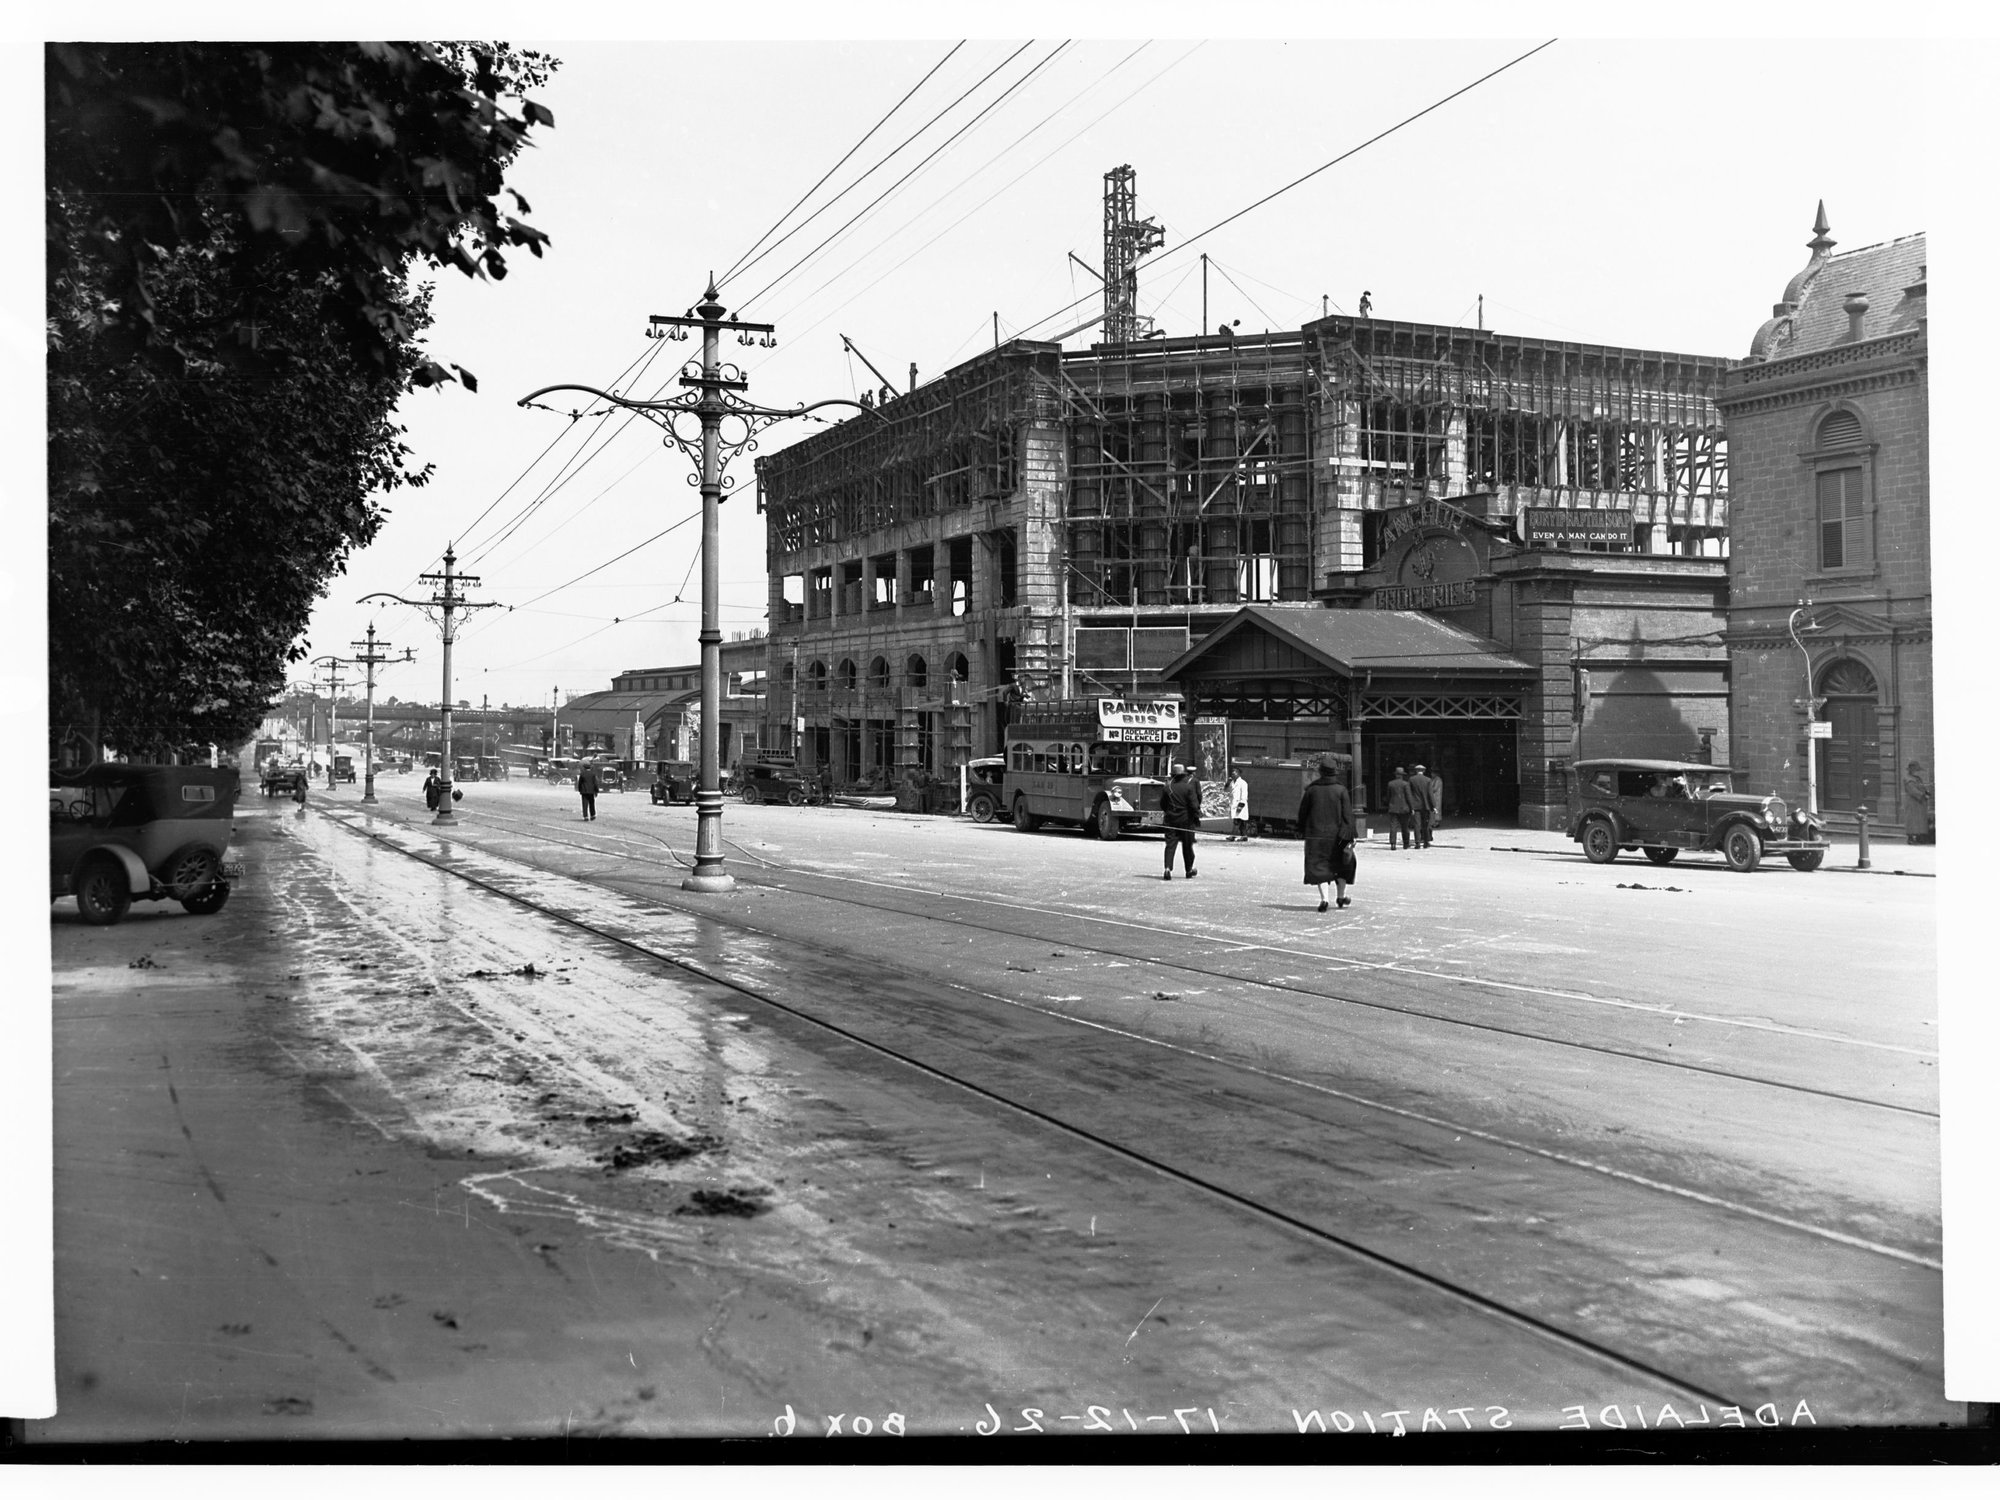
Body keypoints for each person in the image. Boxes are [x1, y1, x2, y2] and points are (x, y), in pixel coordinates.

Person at [1298, 756, 1356, 911]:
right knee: (1343, 865)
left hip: (1316, 836)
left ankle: (1324, 900)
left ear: (1321, 772)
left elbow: (1302, 813)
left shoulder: (1311, 790)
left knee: (1319, 867)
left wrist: (1302, 830)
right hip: (1338, 836)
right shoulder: (1341, 790)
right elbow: (1347, 815)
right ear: (1334, 773)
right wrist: (1349, 836)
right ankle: (1341, 897)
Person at [1160, 762, 1202, 880]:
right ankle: (1188, 870)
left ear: (1173, 775)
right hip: (1186, 821)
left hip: (1170, 820)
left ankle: (1167, 868)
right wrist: (1196, 817)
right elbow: (1194, 805)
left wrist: (1170, 812)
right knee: (1187, 846)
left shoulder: (1167, 787)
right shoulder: (1188, 788)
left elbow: (1162, 804)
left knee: (1170, 845)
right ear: (1183, 775)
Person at [1903, 760, 1934, 844]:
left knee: (1920, 821)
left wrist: (1926, 792)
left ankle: (1919, 837)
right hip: (1912, 802)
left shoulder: (1918, 779)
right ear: (1912, 770)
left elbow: (1922, 787)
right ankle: (1911, 838)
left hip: (1920, 803)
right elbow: (1912, 790)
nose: (1917, 772)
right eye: (1916, 770)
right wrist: (1923, 795)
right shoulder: (1908, 779)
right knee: (1912, 821)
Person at [1385, 766, 1414, 850]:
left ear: (1396, 775)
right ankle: (1406, 843)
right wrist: (1412, 808)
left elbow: (1388, 796)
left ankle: (1393, 844)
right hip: (1404, 808)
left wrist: (1388, 804)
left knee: (1393, 826)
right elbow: (1409, 797)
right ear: (1402, 775)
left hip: (1393, 807)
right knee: (1405, 827)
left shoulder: (1390, 784)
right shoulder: (1406, 784)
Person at [1407, 763, 1435, 848]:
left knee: (1417, 824)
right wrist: (1433, 805)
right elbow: (1430, 794)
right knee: (1425, 824)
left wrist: (1410, 805)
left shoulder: (1411, 779)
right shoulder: (1428, 780)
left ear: (1416, 771)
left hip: (1415, 805)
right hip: (1426, 805)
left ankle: (1417, 843)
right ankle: (1426, 842)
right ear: (1423, 771)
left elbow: (1409, 793)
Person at [1226, 765, 1250, 841]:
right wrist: (1228, 782)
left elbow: (1244, 796)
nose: (1233, 773)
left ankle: (1232, 836)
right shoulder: (1232, 782)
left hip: (1240, 805)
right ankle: (1244, 836)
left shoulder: (1243, 783)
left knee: (1237, 821)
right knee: (1241, 821)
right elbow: (1226, 790)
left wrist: (1240, 806)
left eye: (1235, 772)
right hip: (1233, 804)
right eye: (1232, 771)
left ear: (1239, 773)